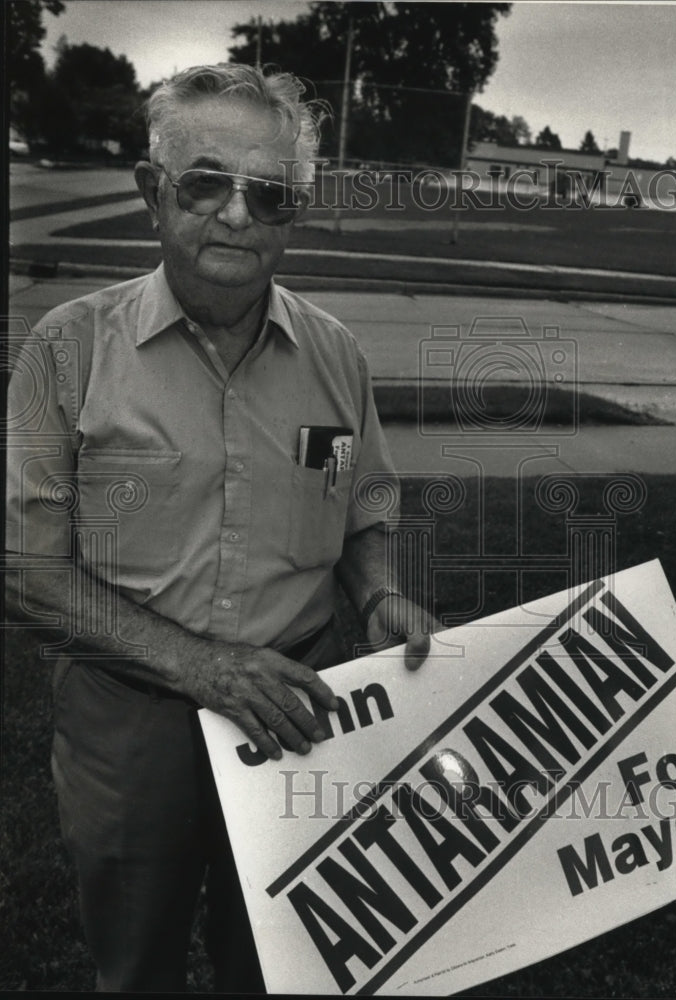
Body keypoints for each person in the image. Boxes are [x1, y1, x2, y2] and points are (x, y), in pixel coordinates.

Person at [5, 63, 435, 993]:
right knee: (137, 966)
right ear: (151, 193)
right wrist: (202, 668)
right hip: (131, 727)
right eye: (206, 183)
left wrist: (381, 592)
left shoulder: (336, 354)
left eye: (270, 193)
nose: (238, 215)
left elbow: (362, 502)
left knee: (283, 965)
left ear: (296, 211)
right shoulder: (66, 348)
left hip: (297, 711)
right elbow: (26, 572)